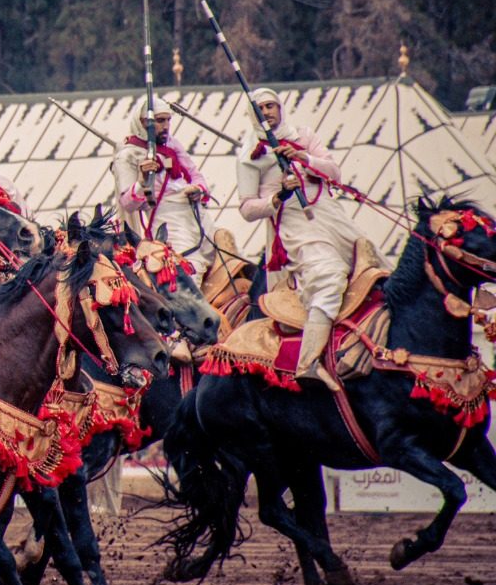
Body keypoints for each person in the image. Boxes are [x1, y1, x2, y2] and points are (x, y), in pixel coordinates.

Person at [236, 88, 360, 391]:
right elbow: (247, 208)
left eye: (271, 106)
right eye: (261, 108)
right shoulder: (249, 155)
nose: (267, 112)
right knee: (329, 277)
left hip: (330, 217)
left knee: (372, 268)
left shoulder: (304, 136)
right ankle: (309, 361)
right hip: (293, 225)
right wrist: (278, 196)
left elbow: (335, 172)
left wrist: (303, 158)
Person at [111, 102, 218, 263]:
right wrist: (142, 182)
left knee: (234, 258)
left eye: (168, 120)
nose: (166, 126)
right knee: (190, 270)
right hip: (168, 223)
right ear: (142, 122)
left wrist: (198, 189)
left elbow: (195, 174)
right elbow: (128, 203)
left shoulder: (172, 144)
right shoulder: (127, 155)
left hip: (198, 215)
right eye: (160, 121)